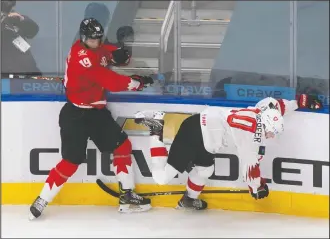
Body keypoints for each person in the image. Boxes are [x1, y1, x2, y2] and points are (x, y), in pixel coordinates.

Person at [29, 18, 154, 220]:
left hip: (96, 113)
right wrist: (137, 83)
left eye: (98, 38)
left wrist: (121, 54)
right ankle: (42, 199)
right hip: (75, 115)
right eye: (92, 39)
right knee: (71, 161)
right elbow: (110, 81)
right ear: (83, 38)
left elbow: (108, 54)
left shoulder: (96, 47)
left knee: (122, 145)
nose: (96, 42)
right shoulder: (82, 57)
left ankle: (128, 197)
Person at [134, 94, 323, 210]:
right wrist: (257, 188)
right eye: (270, 131)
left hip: (207, 138)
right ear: (264, 125)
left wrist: (300, 101)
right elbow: (250, 169)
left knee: (205, 170)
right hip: (195, 133)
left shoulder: (261, 112)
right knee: (161, 178)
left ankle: (189, 200)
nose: (270, 135)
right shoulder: (251, 136)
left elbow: (278, 106)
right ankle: (156, 130)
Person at [1, 0, 41, 77]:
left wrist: (21, 19)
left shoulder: (14, 18)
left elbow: (33, 31)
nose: (10, 3)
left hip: (27, 70)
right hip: (6, 73)